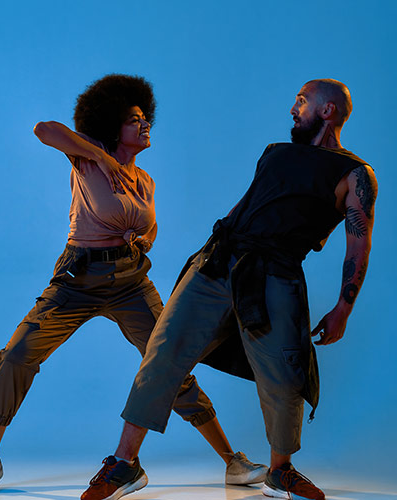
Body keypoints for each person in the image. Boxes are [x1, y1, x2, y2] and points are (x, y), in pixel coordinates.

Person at [0, 74, 267, 496]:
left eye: (147, 119)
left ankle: (232, 462)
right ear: (111, 125)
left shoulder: (144, 180)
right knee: (18, 353)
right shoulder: (86, 159)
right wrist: (103, 158)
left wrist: (143, 239)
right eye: (134, 119)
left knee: (169, 363)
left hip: (130, 284)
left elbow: (152, 227)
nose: (145, 126)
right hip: (77, 280)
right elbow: (44, 130)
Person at [81, 78, 378, 500]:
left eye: (302, 101)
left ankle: (280, 470)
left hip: (275, 275)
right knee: (163, 354)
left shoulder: (355, 174)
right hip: (218, 263)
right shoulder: (275, 154)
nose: (293, 108)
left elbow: (358, 244)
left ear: (327, 111)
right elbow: (244, 206)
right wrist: (201, 259)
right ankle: (125, 465)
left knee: (284, 375)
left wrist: (343, 308)